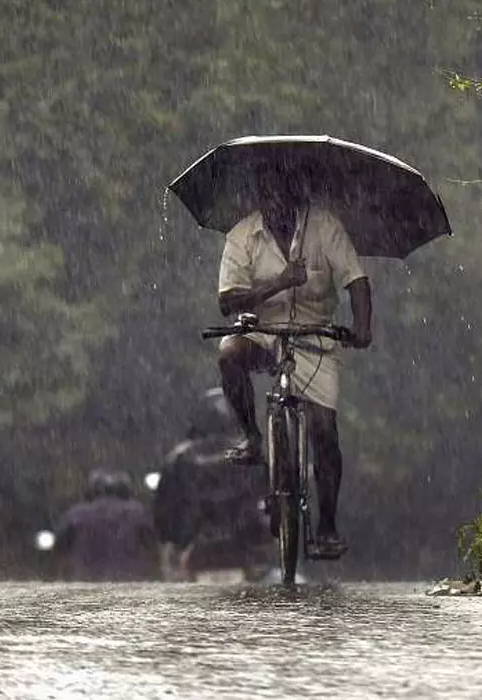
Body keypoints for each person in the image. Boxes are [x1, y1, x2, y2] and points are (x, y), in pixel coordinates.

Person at [216, 161, 372, 560]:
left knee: (324, 429)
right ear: (260, 202)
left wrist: (362, 327)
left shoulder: (325, 227)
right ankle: (251, 436)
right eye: (268, 199)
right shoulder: (242, 235)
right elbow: (227, 301)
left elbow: (356, 280)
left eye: (283, 199)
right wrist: (280, 282)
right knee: (229, 353)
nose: (276, 208)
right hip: (261, 331)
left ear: (298, 199)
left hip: (314, 334)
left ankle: (328, 525)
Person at [153, 389, 271, 581]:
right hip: (243, 545)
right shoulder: (253, 455)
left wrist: (174, 536)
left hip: (194, 545)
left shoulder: (179, 457)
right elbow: (269, 501)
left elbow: (163, 512)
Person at [52, 468, 158, 581]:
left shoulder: (76, 514)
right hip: (128, 580)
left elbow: (59, 549)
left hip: (85, 578)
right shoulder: (138, 513)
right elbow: (152, 547)